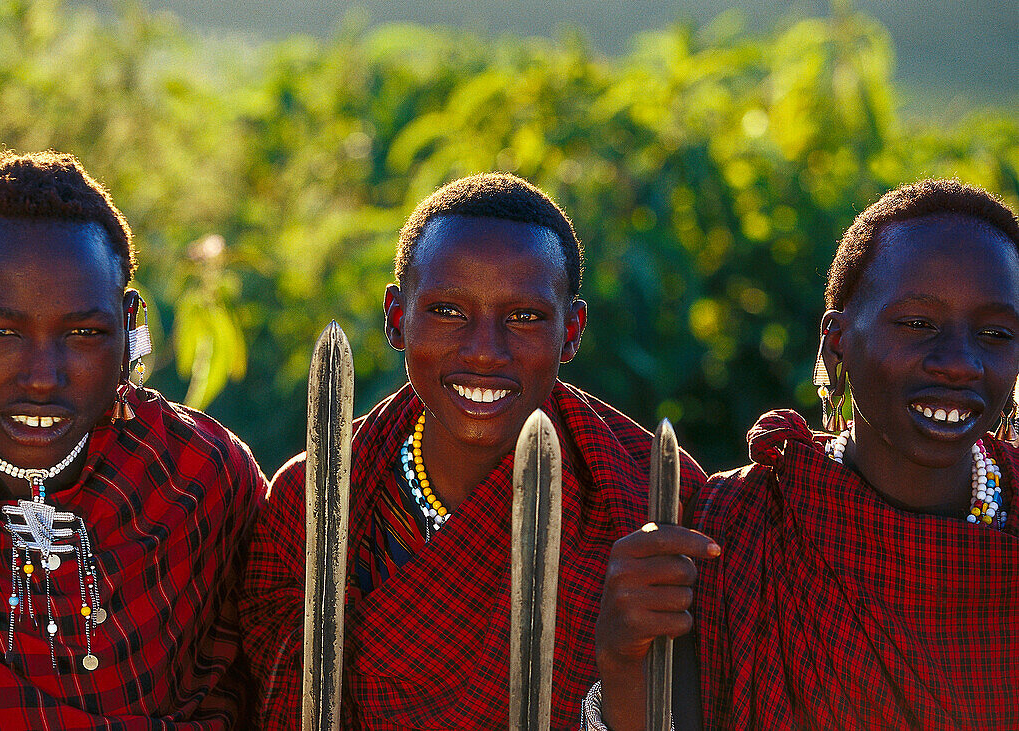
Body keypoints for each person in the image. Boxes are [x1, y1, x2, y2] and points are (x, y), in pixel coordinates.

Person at [240, 173, 706, 728]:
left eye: (524, 318)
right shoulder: (313, 501)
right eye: (448, 311)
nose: (485, 351)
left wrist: (624, 660)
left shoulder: (645, 500)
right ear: (396, 317)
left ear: (572, 330)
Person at [590, 179, 1019, 729]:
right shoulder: (738, 529)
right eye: (918, 324)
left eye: (995, 333)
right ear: (836, 343)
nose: (960, 363)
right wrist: (624, 662)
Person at [0, 151, 266, 728]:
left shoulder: (193, 476)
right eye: (0, 332)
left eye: (83, 333)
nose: (41, 376)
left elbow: (288, 671)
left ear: (129, 326)